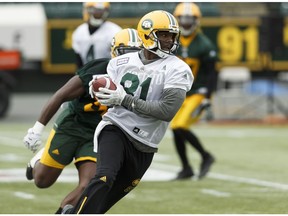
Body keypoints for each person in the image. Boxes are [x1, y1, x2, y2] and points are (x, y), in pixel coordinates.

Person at [63, 10, 193, 214]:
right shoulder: (120, 62)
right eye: (163, 34)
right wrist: (97, 90)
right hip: (116, 127)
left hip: (146, 144)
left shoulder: (178, 69)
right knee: (104, 178)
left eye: (171, 35)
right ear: (147, 34)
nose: (169, 40)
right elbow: (104, 92)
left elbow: (167, 111)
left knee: (102, 204)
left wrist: (124, 99)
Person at [23, 28, 142, 214]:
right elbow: (60, 95)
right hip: (72, 125)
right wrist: (36, 129)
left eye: (136, 53)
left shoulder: (142, 79)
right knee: (42, 181)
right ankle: (39, 159)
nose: (131, 59)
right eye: (126, 53)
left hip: (97, 132)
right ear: (114, 52)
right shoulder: (98, 69)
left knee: (89, 185)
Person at [171, 2, 217, 180]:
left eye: (190, 20)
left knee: (179, 126)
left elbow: (212, 73)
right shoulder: (172, 41)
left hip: (197, 91)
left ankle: (206, 156)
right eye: (183, 19)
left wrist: (208, 97)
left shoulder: (204, 44)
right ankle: (186, 168)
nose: (187, 23)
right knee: (175, 129)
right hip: (180, 92)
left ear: (197, 21)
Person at [72, 2, 122, 68]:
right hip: (86, 73)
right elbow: (79, 62)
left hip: (108, 73)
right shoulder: (79, 31)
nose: (97, 14)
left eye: (100, 11)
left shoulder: (115, 31)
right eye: (94, 10)